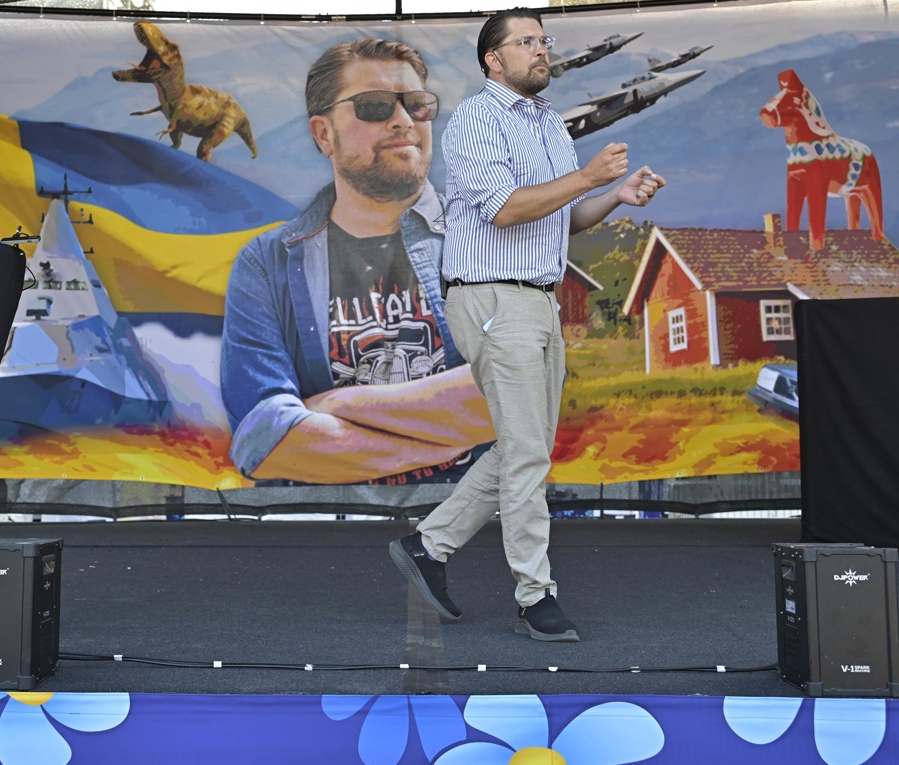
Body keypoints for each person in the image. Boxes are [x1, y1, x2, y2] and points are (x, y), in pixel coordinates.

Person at [390, 8, 666, 642]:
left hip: (540, 298)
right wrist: (587, 175)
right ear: (494, 59)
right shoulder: (476, 120)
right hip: (492, 298)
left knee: (527, 448)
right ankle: (535, 595)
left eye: (544, 39)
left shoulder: (549, 124)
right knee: (525, 453)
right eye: (527, 42)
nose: (542, 49)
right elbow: (504, 210)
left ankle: (429, 547)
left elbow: (561, 218)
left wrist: (613, 196)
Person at [221, 38, 494, 485]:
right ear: (324, 134)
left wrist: (337, 405)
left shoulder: (491, 239)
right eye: (374, 106)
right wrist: (452, 434)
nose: (403, 120)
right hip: (328, 524)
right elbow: (264, 438)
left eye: (417, 104)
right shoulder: (267, 264)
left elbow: (526, 388)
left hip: (474, 520)